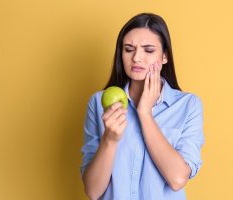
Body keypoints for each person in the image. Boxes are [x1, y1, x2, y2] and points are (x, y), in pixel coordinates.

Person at [81, 12, 205, 200]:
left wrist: (145, 113)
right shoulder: (99, 104)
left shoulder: (188, 105)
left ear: (164, 56)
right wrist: (110, 140)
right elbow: (92, 190)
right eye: (129, 49)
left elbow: (178, 178)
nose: (137, 58)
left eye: (148, 50)